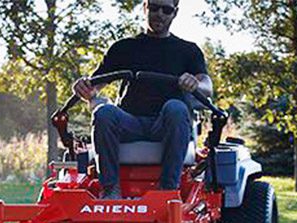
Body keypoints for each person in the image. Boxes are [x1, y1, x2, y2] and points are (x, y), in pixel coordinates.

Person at [72, 0, 213, 199]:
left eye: (166, 10)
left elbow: (207, 87)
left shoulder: (188, 50)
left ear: (175, 13)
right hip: (129, 122)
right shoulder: (124, 47)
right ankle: (111, 189)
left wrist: (195, 84)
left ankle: (167, 190)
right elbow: (94, 83)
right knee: (104, 112)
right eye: (154, 8)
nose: (160, 14)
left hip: (166, 124)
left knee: (176, 107)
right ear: (145, 8)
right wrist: (83, 87)